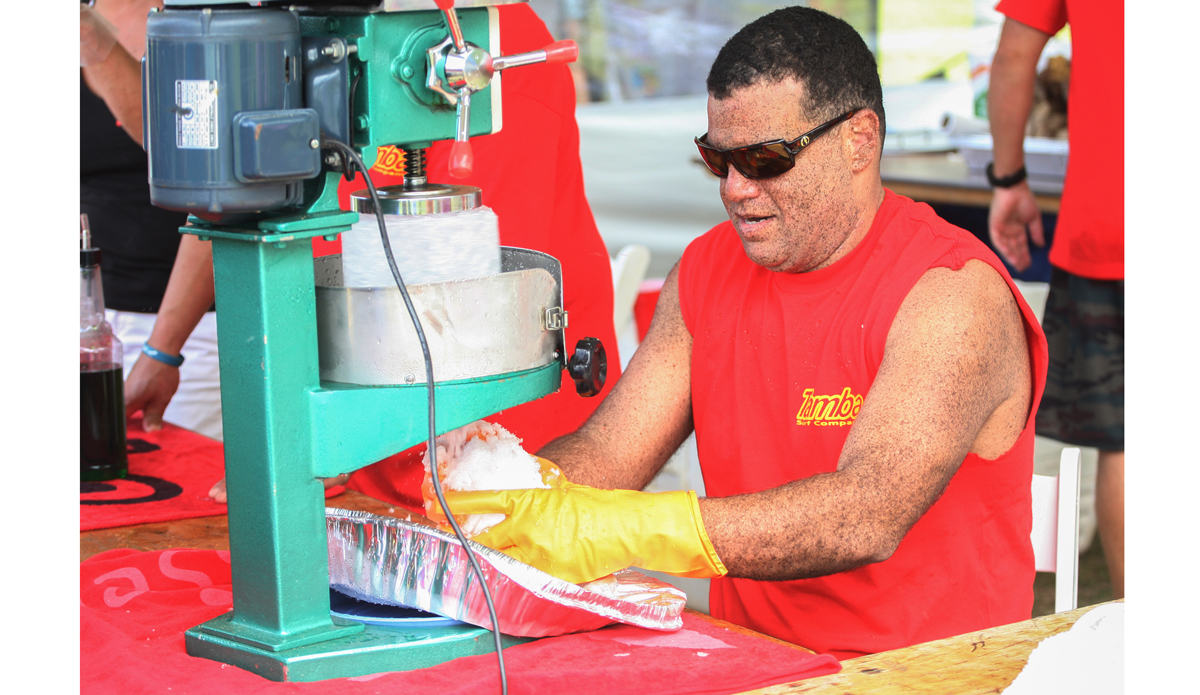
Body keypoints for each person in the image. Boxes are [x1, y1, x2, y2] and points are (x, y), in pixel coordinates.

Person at [442, 7, 1048, 660]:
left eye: (765, 158)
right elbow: (611, 455)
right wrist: (507, 495)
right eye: (717, 159)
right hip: (753, 663)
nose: (735, 189)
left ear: (859, 141)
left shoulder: (954, 292)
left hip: (935, 676)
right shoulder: (706, 269)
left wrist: (630, 528)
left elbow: (866, 514)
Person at [111, 2, 622, 505]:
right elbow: (242, 202)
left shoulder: (483, 46)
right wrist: (164, 350)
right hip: (372, 417)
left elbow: (469, 296)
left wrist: (326, 444)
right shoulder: (311, 32)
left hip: (494, 430)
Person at [987, 0, 1123, 599]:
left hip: (1113, 221)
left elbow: (1015, 56)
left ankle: (1144, 647)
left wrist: (1009, 178)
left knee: (1130, 439)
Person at [81, 0, 224, 441]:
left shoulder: (214, 16)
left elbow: (214, 190)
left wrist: (163, 350)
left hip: (191, 330)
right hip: (89, 317)